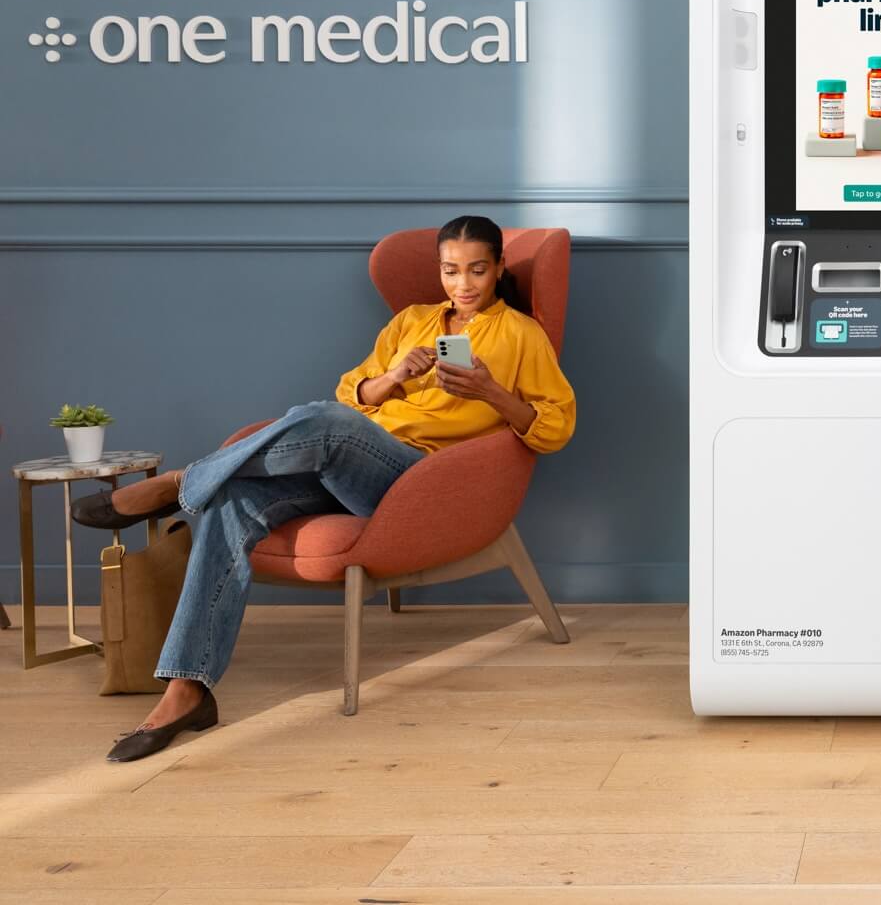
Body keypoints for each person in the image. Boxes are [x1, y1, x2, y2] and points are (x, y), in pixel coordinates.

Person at [70, 215, 576, 762]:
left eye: (478, 270)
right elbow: (354, 392)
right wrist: (394, 379)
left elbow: (555, 429)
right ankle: (186, 691)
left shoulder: (522, 335)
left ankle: (180, 481)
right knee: (232, 502)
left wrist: (490, 391)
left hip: (421, 482)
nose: (465, 284)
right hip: (353, 463)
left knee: (322, 419)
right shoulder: (411, 321)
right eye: (451, 271)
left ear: (500, 268)